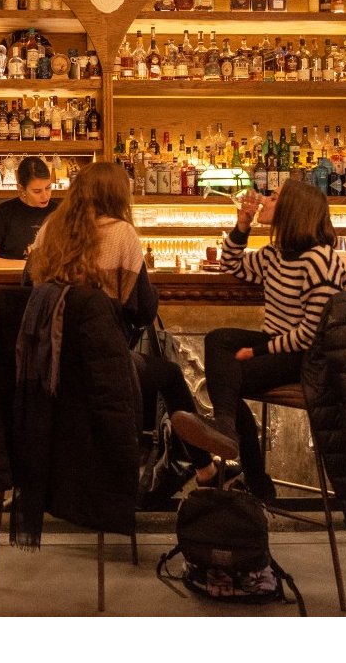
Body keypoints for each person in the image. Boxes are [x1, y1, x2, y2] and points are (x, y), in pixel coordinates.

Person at [26, 161, 238, 488]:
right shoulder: (121, 233)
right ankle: (204, 470)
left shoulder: (48, 230)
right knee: (170, 374)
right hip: (103, 366)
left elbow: (28, 290)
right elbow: (142, 311)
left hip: (46, 365)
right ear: (117, 196)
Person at [201, 179, 346, 500]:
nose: (264, 200)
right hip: (280, 347)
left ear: (292, 210)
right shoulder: (275, 254)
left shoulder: (319, 260)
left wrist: (257, 350)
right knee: (219, 342)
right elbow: (231, 264)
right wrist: (242, 225)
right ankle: (228, 429)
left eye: (273, 197)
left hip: (310, 356)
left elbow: (312, 335)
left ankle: (253, 474)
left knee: (226, 382)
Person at [0, 157, 59, 268]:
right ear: (22, 189)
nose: (45, 195)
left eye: (48, 188)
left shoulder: (60, 212)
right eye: (37, 191)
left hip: (49, 283)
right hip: (12, 282)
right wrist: (27, 266)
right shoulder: (4, 212)